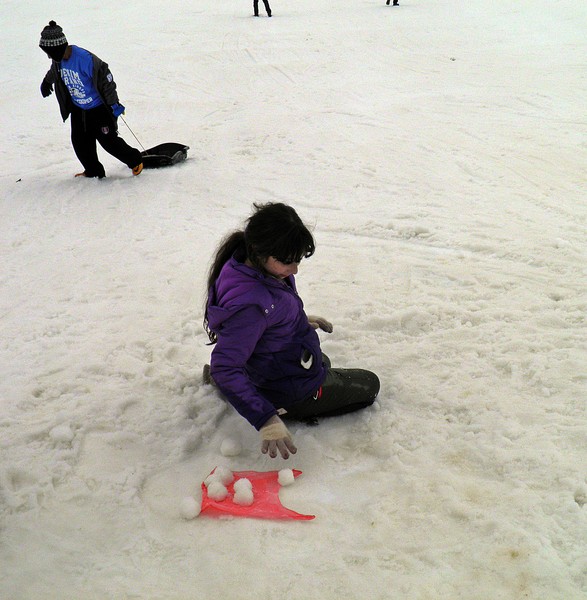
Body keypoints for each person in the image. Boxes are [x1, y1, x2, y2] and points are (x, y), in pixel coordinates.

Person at [204, 203, 380, 459]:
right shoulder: (251, 305)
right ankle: (284, 408)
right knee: (369, 384)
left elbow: (265, 313)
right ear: (260, 251)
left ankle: (269, 393)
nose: (295, 269)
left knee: (323, 362)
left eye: (297, 259)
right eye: (288, 261)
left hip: (275, 365)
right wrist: (266, 420)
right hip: (285, 388)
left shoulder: (244, 262)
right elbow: (225, 366)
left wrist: (295, 320)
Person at [38, 21, 143, 179]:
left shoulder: (84, 59)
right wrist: (47, 82)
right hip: (78, 108)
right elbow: (54, 70)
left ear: (58, 48)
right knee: (80, 142)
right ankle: (93, 170)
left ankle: (135, 160)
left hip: (98, 108)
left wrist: (113, 103)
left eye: (50, 52)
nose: (49, 56)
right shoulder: (58, 60)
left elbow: (106, 80)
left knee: (108, 141)